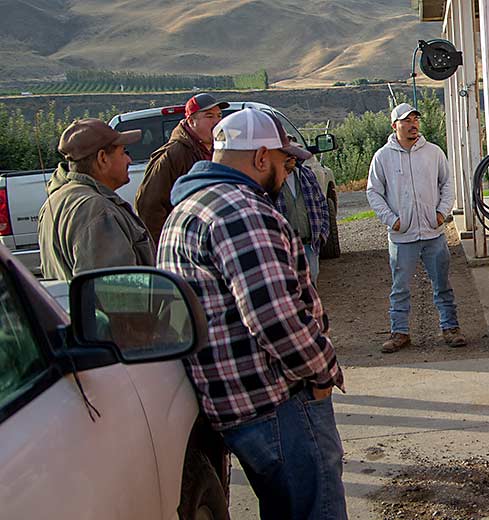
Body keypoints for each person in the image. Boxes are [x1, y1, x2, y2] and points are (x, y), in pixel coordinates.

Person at [157, 108, 347, 519]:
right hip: (277, 403)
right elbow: (274, 317)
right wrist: (323, 372)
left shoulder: (187, 209)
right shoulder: (242, 211)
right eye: (284, 161)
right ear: (261, 158)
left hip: (234, 403)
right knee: (317, 509)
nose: (287, 170)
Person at [366, 102, 465, 353]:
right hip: (402, 237)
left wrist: (441, 213)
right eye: (406, 121)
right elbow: (374, 192)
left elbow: (447, 184)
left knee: (442, 283)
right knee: (400, 287)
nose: (413, 125)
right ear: (394, 125)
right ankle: (399, 332)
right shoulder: (383, 157)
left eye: (415, 120)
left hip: (433, 234)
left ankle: (450, 328)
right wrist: (392, 220)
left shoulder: (433, 152)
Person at [38, 118, 153, 280]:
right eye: (123, 152)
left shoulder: (56, 200)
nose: (129, 160)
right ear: (102, 158)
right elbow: (117, 294)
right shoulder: (96, 210)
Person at [136, 93, 228, 250]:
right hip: (182, 246)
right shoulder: (173, 154)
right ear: (191, 121)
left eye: (219, 115)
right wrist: (164, 249)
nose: (217, 122)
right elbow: (149, 207)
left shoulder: (218, 150)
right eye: (209, 116)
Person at [274, 138, 330, 283]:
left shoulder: (307, 175)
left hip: (309, 245)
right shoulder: (271, 181)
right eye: (288, 153)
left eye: (295, 154)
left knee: (311, 289)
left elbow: (322, 204)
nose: (292, 157)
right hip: (283, 249)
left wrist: (322, 234)